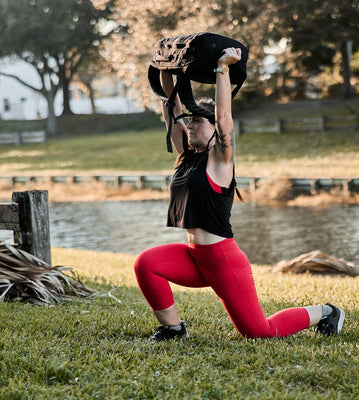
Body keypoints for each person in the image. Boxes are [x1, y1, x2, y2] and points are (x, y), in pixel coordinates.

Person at [134, 47, 345, 341]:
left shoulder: (220, 159)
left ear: (212, 129)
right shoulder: (187, 157)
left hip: (223, 262)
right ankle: (173, 328)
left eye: (197, 121)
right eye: (190, 120)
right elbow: (171, 112)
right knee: (147, 263)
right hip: (195, 257)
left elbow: (223, 117)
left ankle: (326, 311)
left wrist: (222, 69)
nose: (189, 124)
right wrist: (166, 72)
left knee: (259, 332)